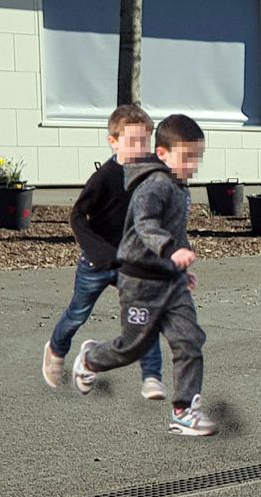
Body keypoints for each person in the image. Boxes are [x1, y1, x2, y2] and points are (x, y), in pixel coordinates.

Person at [72, 114, 218, 436]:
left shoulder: (179, 187)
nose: (194, 164)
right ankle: (91, 358)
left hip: (171, 282)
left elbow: (174, 230)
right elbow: (146, 224)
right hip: (140, 282)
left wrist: (181, 265)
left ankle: (183, 412)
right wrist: (170, 252)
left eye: (198, 157)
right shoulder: (152, 185)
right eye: (188, 157)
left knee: (189, 340)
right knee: (132, 347)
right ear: (163, 154)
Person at [42, 105, 165, 399]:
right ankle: (56, 349)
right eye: (132, 141)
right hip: (96, 263)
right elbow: (76, 217)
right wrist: (100, 253)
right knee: (77, 314)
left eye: (144, 141)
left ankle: (151, 377)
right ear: (113, 141)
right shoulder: (104, 178)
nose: (139, 148)